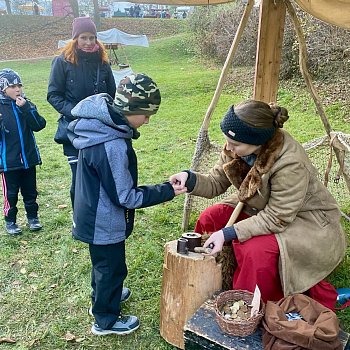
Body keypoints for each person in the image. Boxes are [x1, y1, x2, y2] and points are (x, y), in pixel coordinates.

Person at [169, 99, 346, 311]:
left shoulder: (290, 162)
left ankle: (244, 305)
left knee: (254, 250)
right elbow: (216, 182)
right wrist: (189, 180)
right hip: (264, 208)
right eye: (227, 141)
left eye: (235, 144)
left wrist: (227, 233)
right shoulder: (238, 146)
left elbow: (277, 217)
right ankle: (207, 281)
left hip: (307, 222)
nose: (228, 147)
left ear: (257, 142)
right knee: (211, 218)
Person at [67, 73, 186, 336]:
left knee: (102, 265)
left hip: (91, 212)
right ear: (130, 110)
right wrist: (168, 191)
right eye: (145, 114)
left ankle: (103, 297)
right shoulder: (111, 144)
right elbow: (126, 196)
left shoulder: (98, 127)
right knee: (111, 268)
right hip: (103, 221)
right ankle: (105, 320)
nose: (148, 120)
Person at [47, 16, 116, 208]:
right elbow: (53, 95)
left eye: (92, 38)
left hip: (100, 130)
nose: (88, 42)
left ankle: (101, 215)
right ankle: (81, 217)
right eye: (83, 37)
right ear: (75, 39)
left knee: (101, 175)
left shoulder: (102, 63)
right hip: (74, 131)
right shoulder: (62, 62)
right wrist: (76, 111)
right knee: (80, 178)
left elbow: (112, 93)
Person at [0, 68, 46, 235]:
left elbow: (39, 125)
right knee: (10, 195)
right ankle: (10, 221)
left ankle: (33, 217)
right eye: (12, 86)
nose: (17, 89)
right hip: (8, 162)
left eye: (19, 85)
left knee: (30, 191)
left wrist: (27, 108)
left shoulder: (26, 104)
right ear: (3, 88)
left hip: (29, 158)